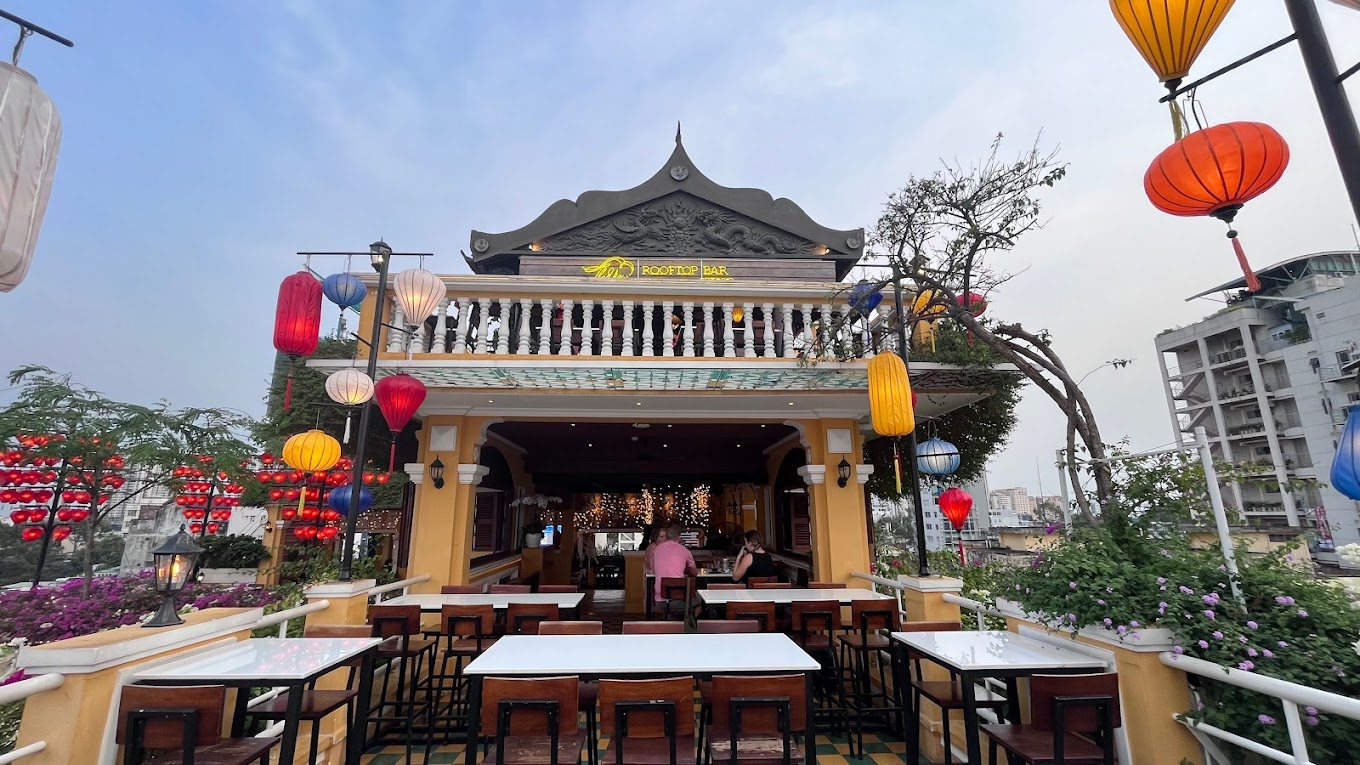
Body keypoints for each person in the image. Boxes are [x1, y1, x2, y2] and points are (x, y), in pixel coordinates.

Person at [651, 524, 697, 603]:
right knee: (699, 599)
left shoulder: (657, 549)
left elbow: (654, 569)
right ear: (679, 537)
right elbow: (694, 572)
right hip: (679, 599)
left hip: (660, 600)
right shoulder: (684, 550)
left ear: (666, 537)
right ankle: (688, 611)